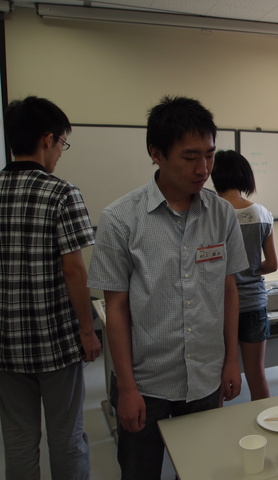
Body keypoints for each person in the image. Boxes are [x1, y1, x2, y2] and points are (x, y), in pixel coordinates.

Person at [87, 96, 248, 479]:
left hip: (206, 376)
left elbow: (228, 291)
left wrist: (231, 360)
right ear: (156, 153)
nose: (203, 169)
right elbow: (116, 309)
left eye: (209, 155)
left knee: (201, 470)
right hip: (147, 382)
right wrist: (127, 387)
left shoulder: (222, 213)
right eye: (190, 157)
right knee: (140, 471)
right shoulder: (120, 219)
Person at [0, 96, 101, 480]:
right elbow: (74, 271)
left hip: (5, 344)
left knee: (18, 439)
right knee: (67, 436)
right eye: (62, 143)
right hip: (55, 341)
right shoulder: (61, 193)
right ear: (47, 139)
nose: (60, 152)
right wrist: (88, 330)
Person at [211, 149, 278, 400]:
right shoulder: (262, 213)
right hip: (253, 303)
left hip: (218, 306)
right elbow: (272, 264)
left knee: (217, 377)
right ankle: (264, 420)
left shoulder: (211, 212)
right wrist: (250, 268)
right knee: (256, 374)